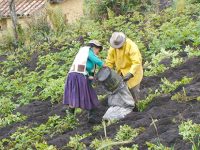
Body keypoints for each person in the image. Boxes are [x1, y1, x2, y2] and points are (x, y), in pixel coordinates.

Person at [63, 40, 104, 123]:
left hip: (75, 75)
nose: (98, 53)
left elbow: (91, 69)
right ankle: (92, 117)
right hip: (78, 75)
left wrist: (91, 77)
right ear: (94, 47)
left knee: (75, 95)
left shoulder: (85, 55)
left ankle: (70, 118)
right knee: (90, 95)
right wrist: (104, 65)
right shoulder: (87, 50)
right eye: (98, 50)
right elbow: (96, 60)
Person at [105, 32, 143, 103]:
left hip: (133, 72)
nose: (118, 48)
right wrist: (107, 71)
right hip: (120, 72)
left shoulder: (131, 46)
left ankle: (137, 109)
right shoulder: (113, 47)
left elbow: (136, 62)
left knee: (134, 92)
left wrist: (130, 73)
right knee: (122, 93)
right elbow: (109, 61)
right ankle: (127, 108)